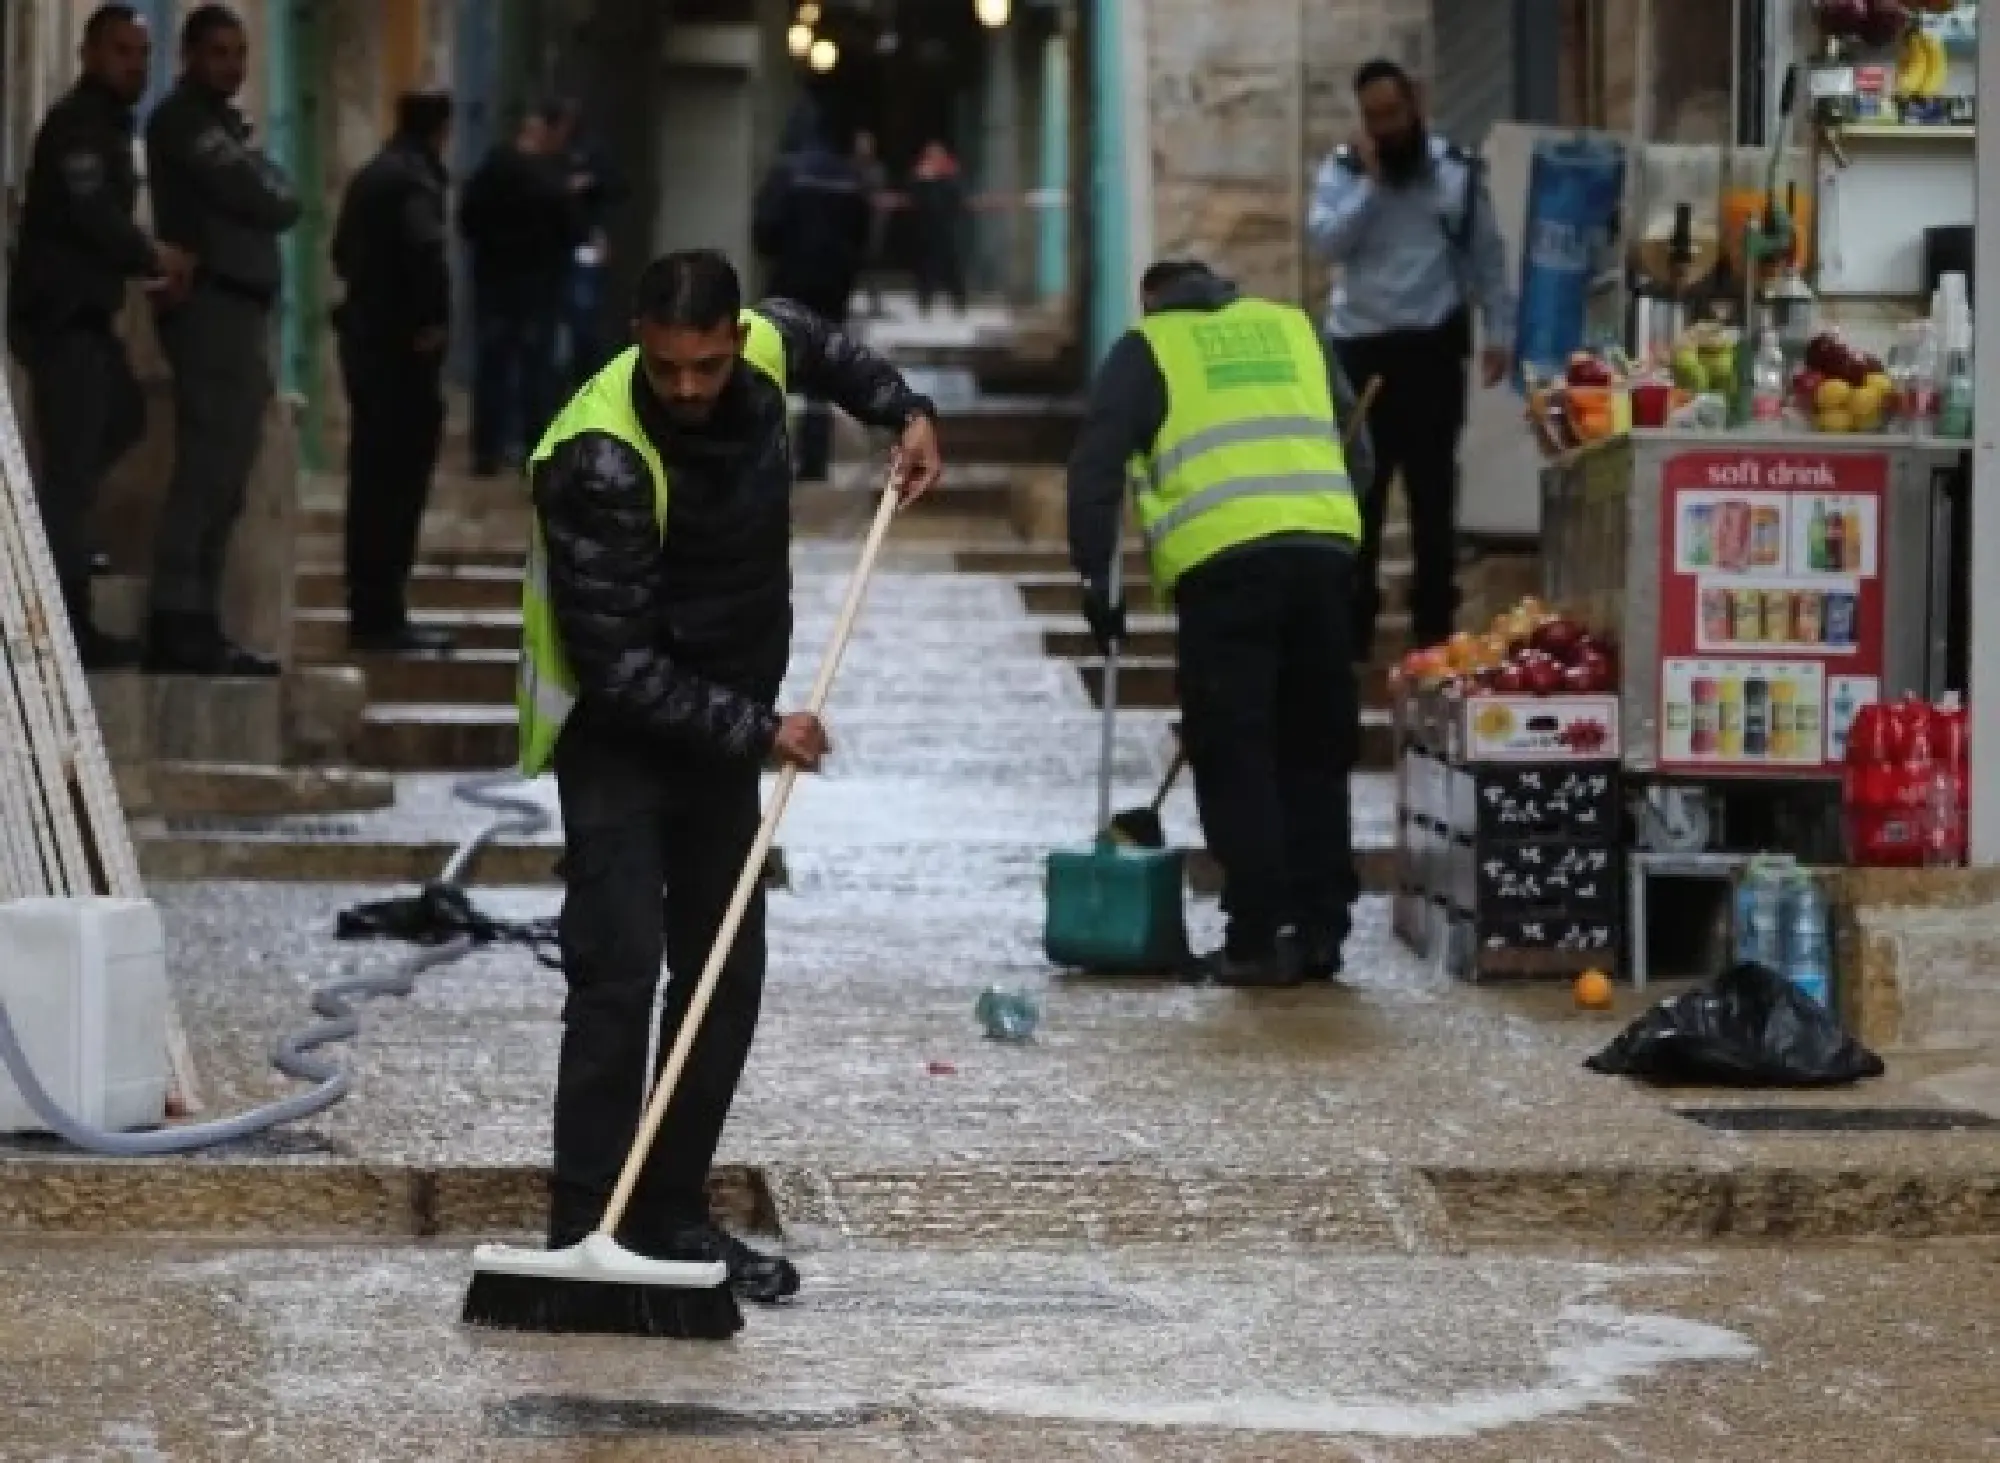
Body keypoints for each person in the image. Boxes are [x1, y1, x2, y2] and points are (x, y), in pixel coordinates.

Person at [520, 249, 941, 1301]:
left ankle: (666, 1212)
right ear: (637, 341)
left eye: (707, 366)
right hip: (620, 737)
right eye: (668, 369)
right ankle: (585, 1224)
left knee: (723, 975)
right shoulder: (597, 458)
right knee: (616, 971)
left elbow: (831, 350)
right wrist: (761, 729)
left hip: (724, 719)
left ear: (731, 341)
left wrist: (906, 411)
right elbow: (615, 671)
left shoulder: (766, 339)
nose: (691, 389)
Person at [1066, 260, 1373, 987]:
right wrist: (1330, 528)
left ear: (1152, 299)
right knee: (1314, 750)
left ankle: (1259, 935)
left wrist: (1096, 585)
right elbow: (1357, 450)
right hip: (1324, 559)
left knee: (1236, 750)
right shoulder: (1292, 327)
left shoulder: (1149, 347)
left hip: (1224, 572)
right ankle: (1322, 930)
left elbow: (1096, 469)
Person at [1307, 57, 1514, 662]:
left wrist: (1500, 331)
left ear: (1416, 105)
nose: (1387, 128)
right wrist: (1370, 187)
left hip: (1429, 347)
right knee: (1357, 499)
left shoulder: (1455, 174)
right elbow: (1325, 244)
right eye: (1374, 119)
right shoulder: (1345, 174)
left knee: (1431, 497)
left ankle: (1433, 635)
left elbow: (1487, 258)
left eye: (1394, 114)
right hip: (1360, 348)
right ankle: (1350, 638)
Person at [7, 4, 193, 669]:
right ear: (89, 54)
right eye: (122, 52)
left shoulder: (109, 126)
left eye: (143, 54)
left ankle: (69, 556)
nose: (136, 66)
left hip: (87, 319)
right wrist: (152, 257)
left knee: (122, 416)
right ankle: (65, 622)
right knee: (70, 478)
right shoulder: (79, 127)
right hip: (63, 323)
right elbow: (92, 216)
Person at [143, 3, 299, 676]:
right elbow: (267, 197)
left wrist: (262, 180)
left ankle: (201, 618)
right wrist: (259, 180)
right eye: (218, 53)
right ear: (189, 57)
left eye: (239, 53)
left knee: (229, 475)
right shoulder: (184, 122)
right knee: (207, 470)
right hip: (210, 311)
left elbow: (276, 191)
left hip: (241, 314)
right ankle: (177, 617)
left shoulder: (223, 126)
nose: (232, 65)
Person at [330, 91, 455, 655]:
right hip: (398, 355)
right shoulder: (412, 184)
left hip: (366, 345)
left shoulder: (371, 178)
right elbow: (427, 255)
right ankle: (382, 616)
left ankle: (372, 608)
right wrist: (429, 322)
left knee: (372, 482)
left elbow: (340, 255)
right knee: (394, 488)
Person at [459, 103, 583, 476]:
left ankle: (486, 452)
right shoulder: (553, 182)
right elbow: (573, 231)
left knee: (493, 368)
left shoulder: (490, 171)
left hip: (495, 283)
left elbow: (468, 222)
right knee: (537, 371)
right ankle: (536, 447)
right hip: (540, 287)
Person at [751, 99, 869, 482]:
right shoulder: (850, 177)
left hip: (788, 282)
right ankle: (813, 459)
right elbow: (863, 234)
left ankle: (769, 454)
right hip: (833, 286)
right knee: (821, 371)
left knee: (774, 366)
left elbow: (765, 232)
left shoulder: (786, 173)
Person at [548, 99, 628, 387]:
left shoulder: (589, 151)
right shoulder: (547, 156)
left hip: (583, 244)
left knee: (584, 324)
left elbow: (616, 185)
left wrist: (590, 182)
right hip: (553, 248)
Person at [910, 141, 968, 317]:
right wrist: (924, 181)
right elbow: (916, 198)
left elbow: (956, 198)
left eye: (937, 155)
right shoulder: (921, 174)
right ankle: (924, 303)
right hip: (927, 230)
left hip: (947, 229)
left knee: (952, 270)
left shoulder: (951, 173)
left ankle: (959, 303)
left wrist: (939, 180)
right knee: (926, 269)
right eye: (930, 156)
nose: (934, 159)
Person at [851, 130, 891, 319]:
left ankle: (875, 303)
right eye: (861, 144)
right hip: (852, 225)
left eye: (866, 145)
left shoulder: (877, 169)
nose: (864, 149)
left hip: (871, 225)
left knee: (872, 267)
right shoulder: (849, 168)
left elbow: (877, 195)